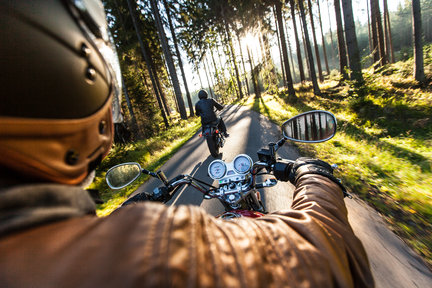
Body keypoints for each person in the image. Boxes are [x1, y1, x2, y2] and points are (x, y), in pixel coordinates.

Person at [0, 1, 374, 287]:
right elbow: (327, 252)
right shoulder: (150, 252)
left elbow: (206, 112)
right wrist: (314, 173)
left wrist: (140, 200)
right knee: (220, 124)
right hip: (216, 127)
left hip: (205, 126)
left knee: (215, 125)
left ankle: (216, 138)